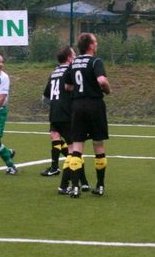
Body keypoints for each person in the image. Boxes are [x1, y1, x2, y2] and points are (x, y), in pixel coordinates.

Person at [64, 33, 111, 198]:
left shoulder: (73, 63)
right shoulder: (95, 61)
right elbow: (102, 81)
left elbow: (67, 86)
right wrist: (107, 90)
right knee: (98, 144)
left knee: (77, 146)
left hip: (78, 105)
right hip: (94, 104)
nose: (96, 45)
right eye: (95, 42)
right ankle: (100, 186)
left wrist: (80, 88)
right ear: (90, 45)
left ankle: (75, 187)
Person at [41, 46, 91, 194]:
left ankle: (84, 182)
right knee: (74, 150)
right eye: (74, 55)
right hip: (67, 114)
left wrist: (56, 104)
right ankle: (63, 186)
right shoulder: (71, 71)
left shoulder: (54, 72)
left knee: (73, 148)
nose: (76, 57)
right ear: (69, 58)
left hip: (54, 115)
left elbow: (45, 97)